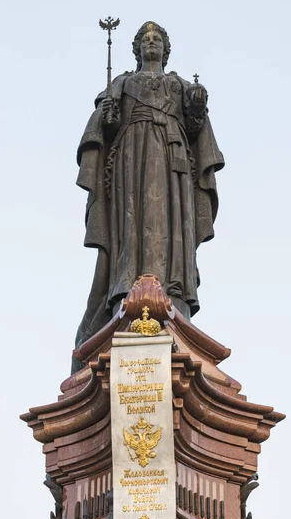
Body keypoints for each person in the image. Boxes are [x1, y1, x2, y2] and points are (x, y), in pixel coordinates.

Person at [73, 21, 224, 372]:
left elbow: (196, 127)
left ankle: (173, 290)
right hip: (131, 160)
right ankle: (126, 287)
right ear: (137, 48)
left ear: (165, 49)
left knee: (171, 224)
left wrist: (198, 108)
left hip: (172, 162)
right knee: (132, 223)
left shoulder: (178, 85)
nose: (151, 43)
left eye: (157, 39)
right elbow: (103, 127)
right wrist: (106, 119)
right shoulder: (122, 84)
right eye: (146, 39)